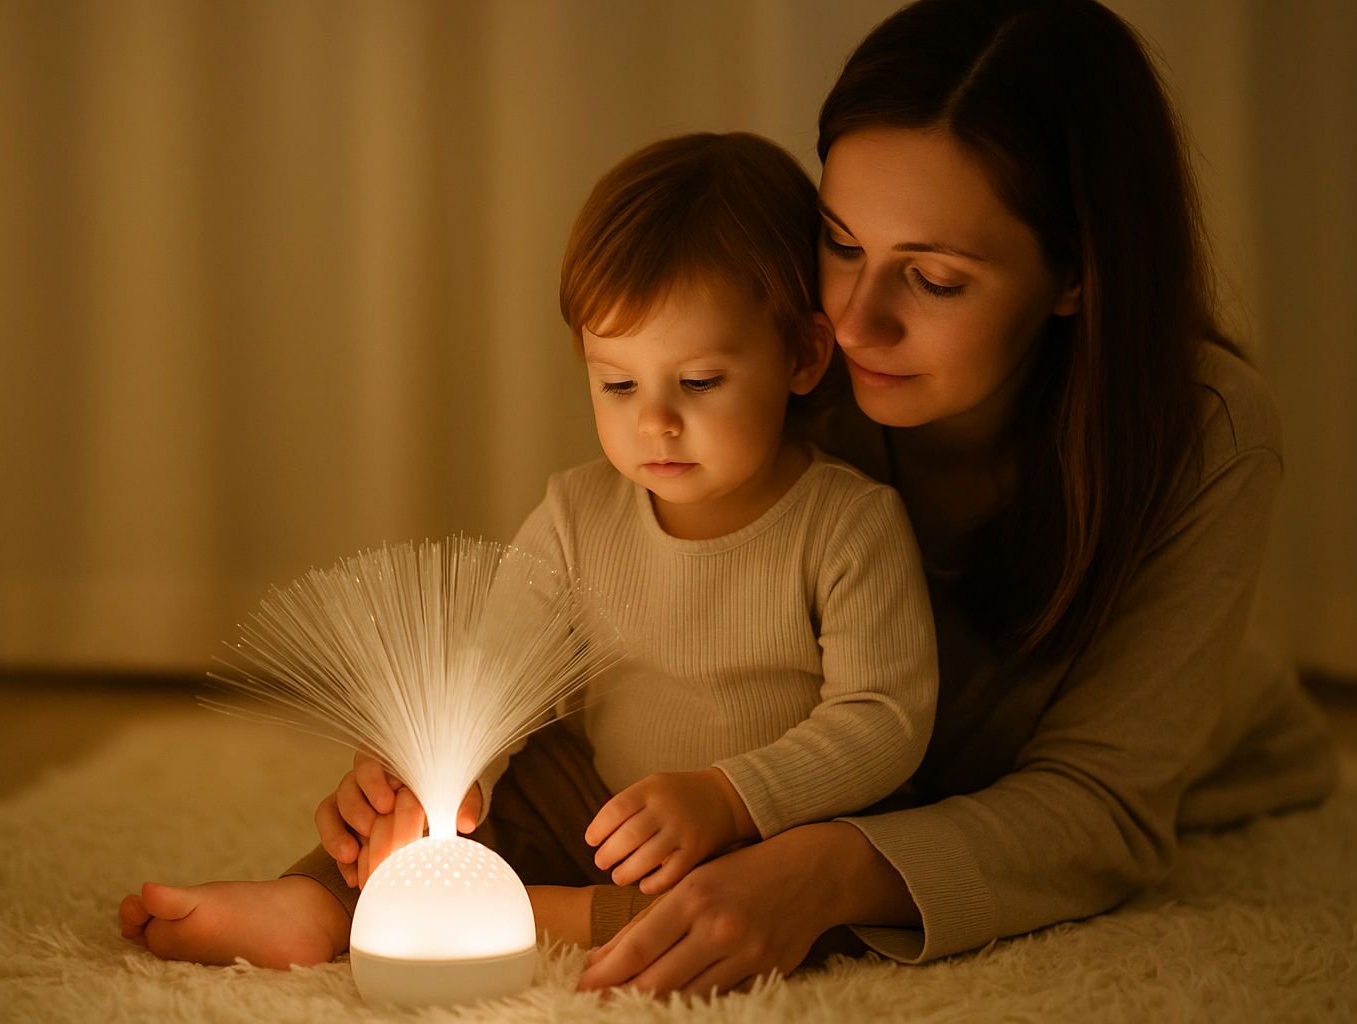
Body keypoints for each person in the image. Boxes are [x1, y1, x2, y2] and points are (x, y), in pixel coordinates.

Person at [567, 0, 1340, 995]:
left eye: (933, 278)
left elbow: (1102, 799)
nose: (852, 323)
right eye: (841, 243)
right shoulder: (788, 359)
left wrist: (823, 872)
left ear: (1074, 274)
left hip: (1211, 746)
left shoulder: (1206, 431)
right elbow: (620, 594)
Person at [117, 132, 939, 969]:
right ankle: (320, 900)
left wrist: (730, 799)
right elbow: (498, 668)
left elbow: (885, 720)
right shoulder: (579, 511)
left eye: (698, 383)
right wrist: (440, 772)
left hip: (769, 829)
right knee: (489, 779)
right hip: (605, 804)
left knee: (792, 901)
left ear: (802, 355)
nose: (653, 420)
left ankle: (536, 914)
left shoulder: (848, 522)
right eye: (618, 383)